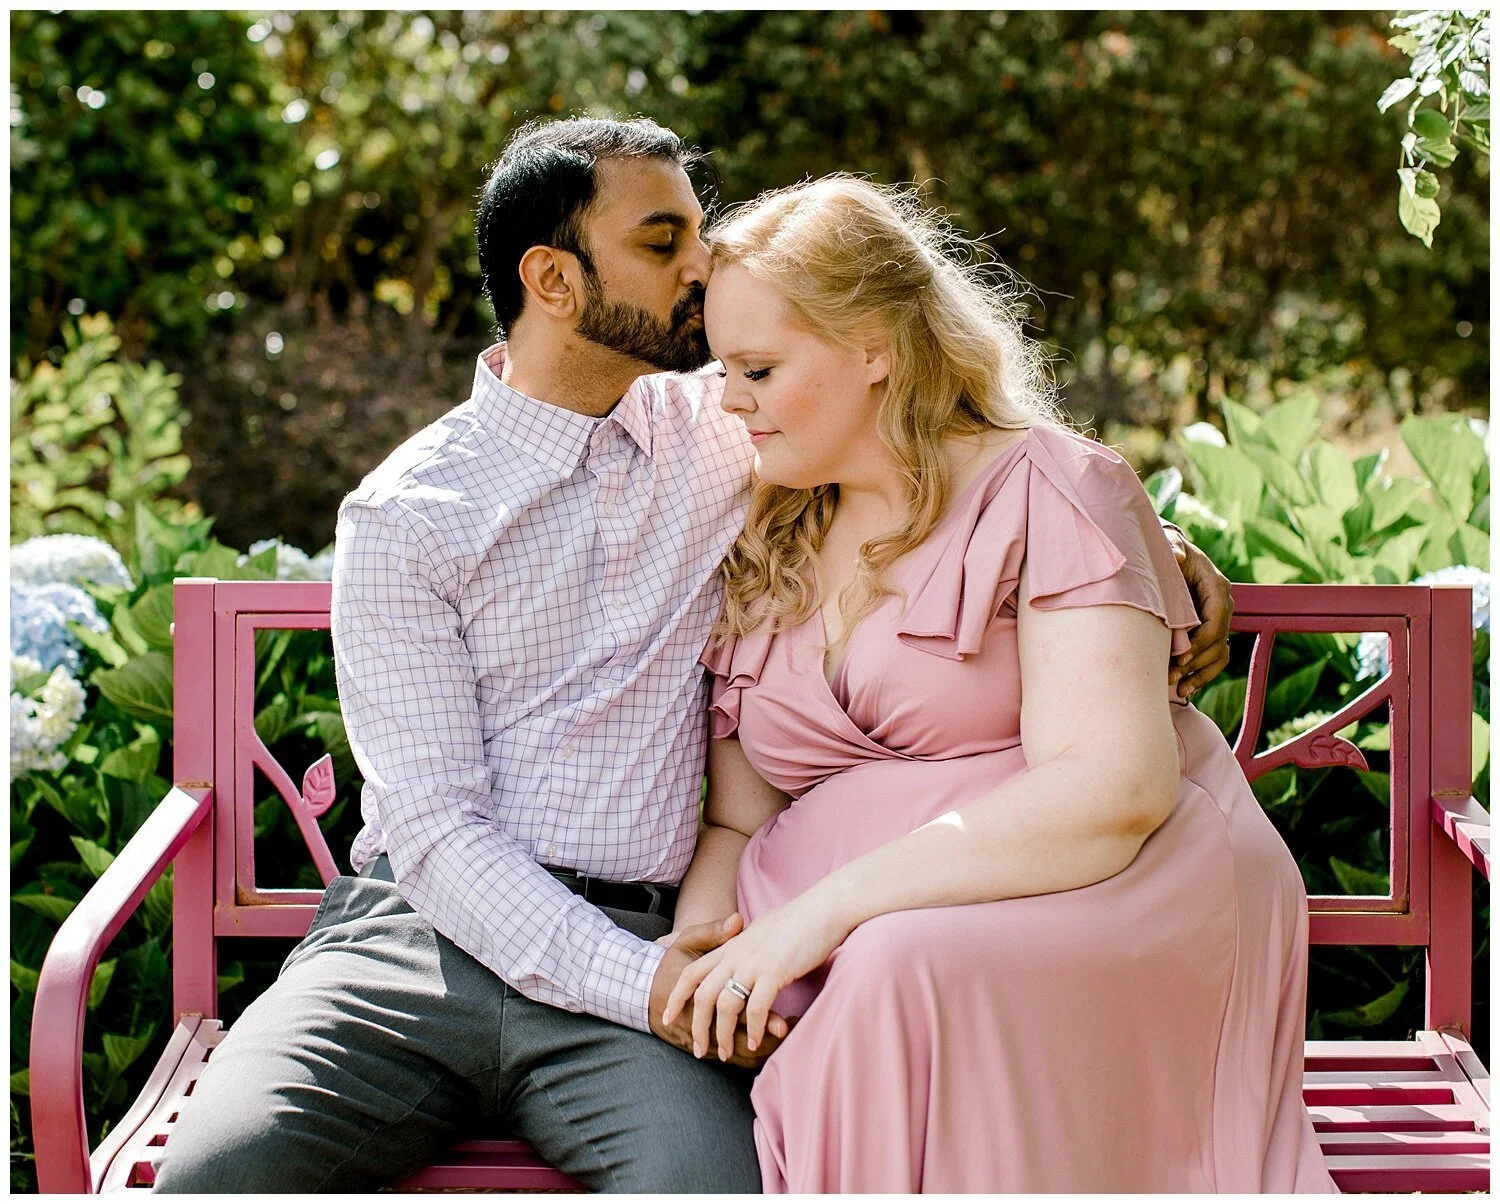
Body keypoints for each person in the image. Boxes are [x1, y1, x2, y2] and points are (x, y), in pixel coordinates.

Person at [153, 118, 1234, 1193]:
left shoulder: (731, 428)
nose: (701, 266)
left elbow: (931, 451)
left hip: (647, 929)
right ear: (555, 279)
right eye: (663, 243)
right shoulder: (408, 516)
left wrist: (1147, 546)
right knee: (213, 1177)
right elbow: (436, 830)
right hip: (411, 948)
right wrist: (655, 984)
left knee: (705, 1184)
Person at [662, 176, 1338, 1193]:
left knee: (899, 973)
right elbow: (737, 823)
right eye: (723, 368)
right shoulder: (763, 525)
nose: (727, 400)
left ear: (875, 347)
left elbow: (1114, 794)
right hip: (864, 935)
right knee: (889, 970)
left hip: (1123, 883)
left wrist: (824, 916)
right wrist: (698, 957)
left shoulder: (1052, 489)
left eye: (757, 368)